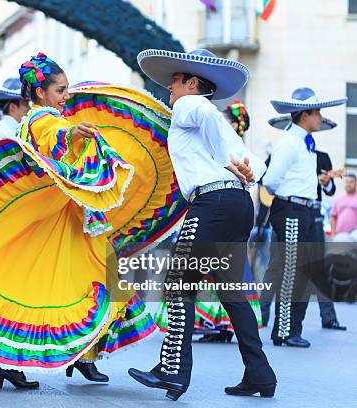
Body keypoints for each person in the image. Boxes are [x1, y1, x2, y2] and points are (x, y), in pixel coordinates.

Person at [0, 53, 186, 390]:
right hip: (63, 221)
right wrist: (75, 136)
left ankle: (77, 359)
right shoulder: (44, 119)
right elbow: (55, 142)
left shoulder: (44, 117)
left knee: (90, 280)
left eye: (67, 89)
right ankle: (21, 362)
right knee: (73, 285)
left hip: (73, 218)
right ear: (41, 93)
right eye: (60, 89)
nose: (66, 95)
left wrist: (76, 137)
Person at [129, 49, 276, 401]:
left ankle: (174, 370)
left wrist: (229, 161)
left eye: (176, 80)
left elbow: (206, 115)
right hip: (238, 205)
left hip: (214, 204)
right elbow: (253, 162)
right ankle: (261, 374)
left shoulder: (190, 106)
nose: (170, 85)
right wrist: (244, 166)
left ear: (193, 84)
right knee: (231, 294)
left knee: (179, 284)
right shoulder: (215, 123)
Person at [263, 87, 347, 348]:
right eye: (317, 112)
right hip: (291, 210)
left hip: (307, 210)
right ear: (304, 115)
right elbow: (270, 181)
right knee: (290, 273)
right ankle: (284, 331)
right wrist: (290, 199)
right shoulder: (290, 142)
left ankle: (292, 330)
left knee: (305, 272)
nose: (320, 116)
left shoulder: (305, 143)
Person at [195, 100, 264, 343]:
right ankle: (213, 323)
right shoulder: (222, 145)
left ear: (236, 125)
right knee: (223, 278)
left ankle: (216, 324)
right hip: (232, 212)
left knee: (203, 273)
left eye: (227, 121)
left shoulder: (232, 151)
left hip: (221, 212)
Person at [331, 173, 357, 241]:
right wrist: (333, 234)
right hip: (340, 235)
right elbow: (333, 217)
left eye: (351, 182)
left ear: (355, 183)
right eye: (347, 182)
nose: (348, 184)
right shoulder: (338, 199)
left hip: (354, 235)